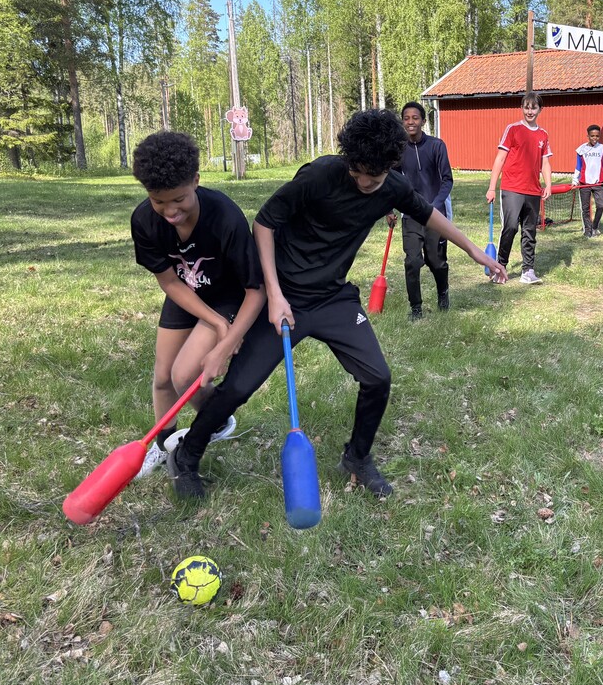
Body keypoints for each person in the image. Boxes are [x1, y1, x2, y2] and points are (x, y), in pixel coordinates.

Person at [164, 109, 507, 501]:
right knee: (238, 388)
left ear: (389, 167)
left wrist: (474, 251)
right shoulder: (321, 175)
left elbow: (428, 213)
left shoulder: (392, 187)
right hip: (285, 297)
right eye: (356, 173)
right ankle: (187, 455)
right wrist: (274, 295)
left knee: (378, 377)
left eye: (372, 178)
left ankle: (356, 458)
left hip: (332, 297)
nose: (363, 183)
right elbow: (264, 223)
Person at [129, 132, 265, 478]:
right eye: (158, 201)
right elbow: (170, 282)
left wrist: (228, 337)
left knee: (184, 375)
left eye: (179, 199)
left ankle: (216, 419)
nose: (170, 211)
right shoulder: (144, 220)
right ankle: (164, 445)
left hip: (229, 295)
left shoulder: (225, 217)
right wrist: (216, 323)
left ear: (196, 181)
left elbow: (256, 291)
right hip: (187, 292)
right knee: (163, 377)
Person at [486, 92, 553, 283]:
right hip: (512, 188)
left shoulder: (543, 134)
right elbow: (500, 159)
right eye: (526, 107)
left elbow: (545, 162)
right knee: (510, 227)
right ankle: (500, 267)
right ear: (522, 108)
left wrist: (548, 184)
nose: (530, 111)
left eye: (534, 108)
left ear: (540, 109)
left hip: (533, 191)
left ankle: (528, 271)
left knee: (529, 231)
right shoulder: (513, 129)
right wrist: (492, 187)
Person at [397, 101, 453, 320]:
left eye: (415, 118)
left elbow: (447, 180)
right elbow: (391, 180)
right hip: (411, 213)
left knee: (436, 261)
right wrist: (389, 209)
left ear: (423, 121)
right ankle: (416, 308)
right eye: (406, 118)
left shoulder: (437, 146)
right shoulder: (399, 149)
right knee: (412, 261)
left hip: (435, 214)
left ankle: (443, 293)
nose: (410, 122)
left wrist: (436, 204)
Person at [572, 124, 603, 237]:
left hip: (598, 183)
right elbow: (578, 166)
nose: (595, 138)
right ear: (588, 136)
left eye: (597, 136)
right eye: (592, 136)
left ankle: (594, 227)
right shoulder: (581, 149)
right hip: (584, 183)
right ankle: (588, 230)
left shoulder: (602, 148)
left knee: (600, 206)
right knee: (585, 208)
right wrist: (575, 180)